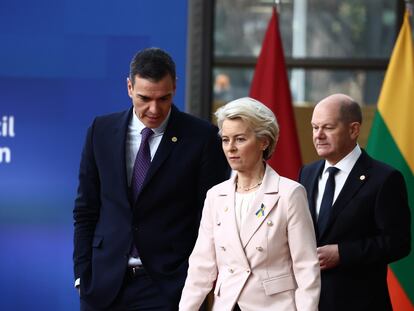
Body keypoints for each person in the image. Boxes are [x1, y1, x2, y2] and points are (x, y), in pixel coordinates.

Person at [73, 47, 229, 310]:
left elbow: (211, 218)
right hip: (104, 286)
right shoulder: (101, 131)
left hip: (170, 289)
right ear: (129, 87)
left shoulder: (202, 138)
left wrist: (194, 281)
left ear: (176, 87)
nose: (154, 109)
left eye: (164, 98)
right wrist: (82, 274)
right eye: (145, 98)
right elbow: (86, 209)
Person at [179, 97, 320, 311]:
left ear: (264, 142)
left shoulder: (289, 194)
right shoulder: (216, 196)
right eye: (225, 140)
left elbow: (306, 268)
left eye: (240, 139)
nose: (230, 148)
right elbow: (201, 266)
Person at [298, 93, 411, 311]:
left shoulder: (384, 178)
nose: (318, 135)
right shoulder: (307, 173)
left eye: (328, 127)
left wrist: (343, 253)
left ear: (354, 130)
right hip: (310, 302)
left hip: (361, 303)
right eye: (315, 127)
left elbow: (398, 243)